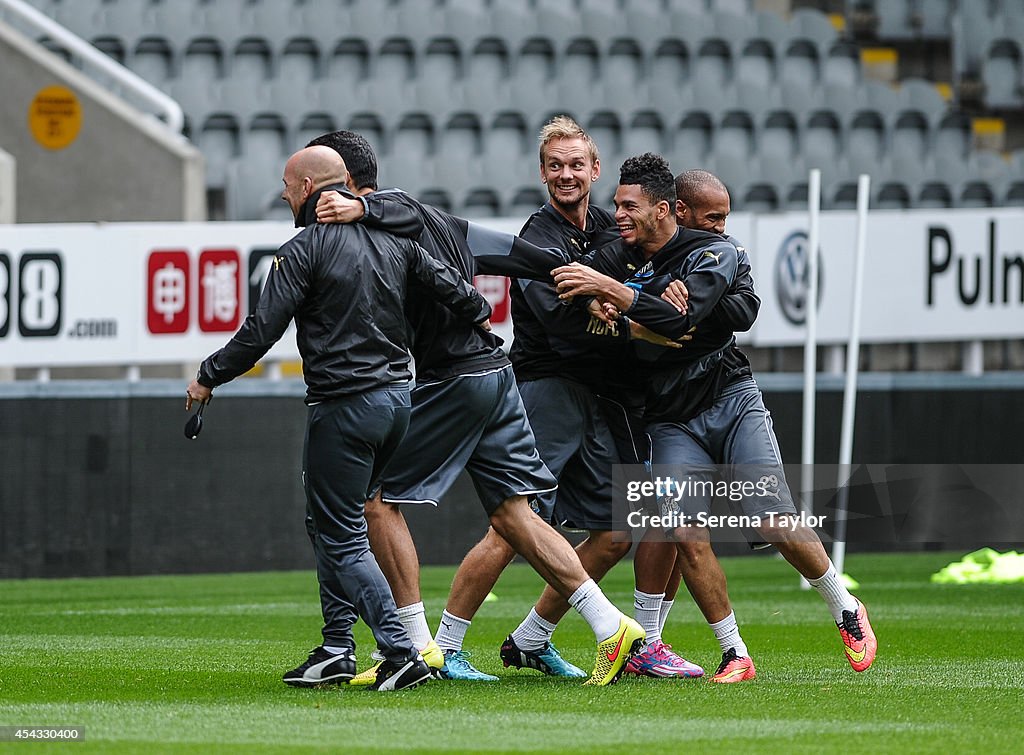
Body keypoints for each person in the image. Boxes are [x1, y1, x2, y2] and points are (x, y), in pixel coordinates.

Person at [309, 130, 646, 686]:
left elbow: (401, 208)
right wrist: (587, 286)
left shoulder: (388, 218)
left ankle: (417, 648)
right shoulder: (447, 225)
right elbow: (524, 257)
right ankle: (611, 625)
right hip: (497, 373)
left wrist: (362, 205)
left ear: (342, 185)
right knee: (514, 515)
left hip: (456, 380)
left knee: (375, 499)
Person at [552, 153, 878, 681]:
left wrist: (628, 301)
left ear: (663, 211)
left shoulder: (714, 251)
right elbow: (583, 309)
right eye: (617, 204)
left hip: (730, 399)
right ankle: (734, 653)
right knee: (684, 532)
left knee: (771, 520)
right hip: (668, 417)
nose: (618, 214)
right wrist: (622, 308)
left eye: (627, 205)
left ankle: (845, 608)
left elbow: (721, 313)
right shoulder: (620, 254)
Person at [185, 145, 495, 692]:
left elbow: (261, 333)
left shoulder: (301, 250)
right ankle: (336, 649)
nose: (283, 194)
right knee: (327, 524)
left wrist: (208, 376)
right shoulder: (397, 242)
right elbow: (468, 298)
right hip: (398, 404)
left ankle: (400, 651)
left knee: (342, 533)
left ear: (307, 189)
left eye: (287, 185)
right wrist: (460, 326)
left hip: (345, 407)